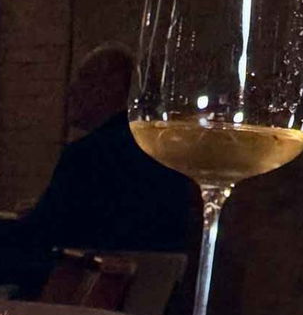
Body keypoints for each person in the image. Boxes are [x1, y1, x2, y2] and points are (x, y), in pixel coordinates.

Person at [23, 43, 197, 252]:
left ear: (114, 87)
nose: (72, 90)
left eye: (85, 78)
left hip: (96, 281)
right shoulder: (169, 155)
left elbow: (37, 237)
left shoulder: (89, 155)